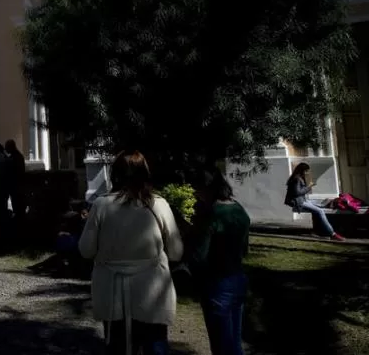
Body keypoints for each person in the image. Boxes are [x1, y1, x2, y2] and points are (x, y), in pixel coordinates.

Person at [78, 150, 184, 355]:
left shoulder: (101, 205)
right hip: (152, 292)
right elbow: (177, 252)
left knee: (117, 345)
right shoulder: (158, 204)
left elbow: (85, 250)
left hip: (112, 290)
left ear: (114, 174)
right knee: (155, 343)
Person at [190, 169, 251, 355]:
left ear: (205, 189)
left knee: (221, 344)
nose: (195, 195)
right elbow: (245, 248)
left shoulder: (212, 214)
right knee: (234, 342)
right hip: (238, 277)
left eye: (196, 190)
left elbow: (200, 255)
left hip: (217, 282)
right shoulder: (238, 208)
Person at [284, 163, 344, 241]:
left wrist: (308, 186)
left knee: (318, 207)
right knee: (320, 211)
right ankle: (332, 234)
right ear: (302, 171)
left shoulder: (298, 178)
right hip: (298, 202)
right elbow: (297, 192)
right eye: (306, 171)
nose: (307, 173)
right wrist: (309, 187)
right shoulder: (297, 179)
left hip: (301, 200)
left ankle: (317, 231)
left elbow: (299, 191)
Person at [5, 139, 27, 218]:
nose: (6, 149)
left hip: (16, 186)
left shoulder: (14, 157)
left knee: (17, 205)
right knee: (18, 205)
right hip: (18, 185)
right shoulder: (18, 156)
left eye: (6, 147)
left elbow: (12, 172)